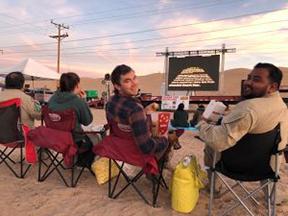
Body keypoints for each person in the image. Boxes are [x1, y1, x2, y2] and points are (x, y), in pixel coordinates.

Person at [197, 63, 288, 204]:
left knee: (210, 147)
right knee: (271, 150)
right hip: (266, 167)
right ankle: (272, 195)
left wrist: (202, 123)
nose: (248, 83)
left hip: (237, 166)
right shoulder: (281, 105)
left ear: (272, 87)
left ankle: (214, 188)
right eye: (249, 78)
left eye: (256, 80)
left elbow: (217, 141)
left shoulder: (249, 108)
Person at [105, 64, 170, 160]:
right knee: (170, 137)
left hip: (116, 148)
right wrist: (164, 138)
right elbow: (147, 147)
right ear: (117, 86)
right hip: (134, 154)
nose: (134, 83)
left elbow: (125, 121)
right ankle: (156, 171)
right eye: (127, 81)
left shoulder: (110, 101)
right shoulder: (135, 108)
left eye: (134, 78)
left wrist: (144, 112)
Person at [48, 72, 94, 168]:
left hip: (54, 138)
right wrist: (84, 101)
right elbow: (87, 121)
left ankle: (72, 160)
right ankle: (81, 164)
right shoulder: (78, 102)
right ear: (76, 85)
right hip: (74, 140)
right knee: (94, 139)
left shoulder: (52, 99)